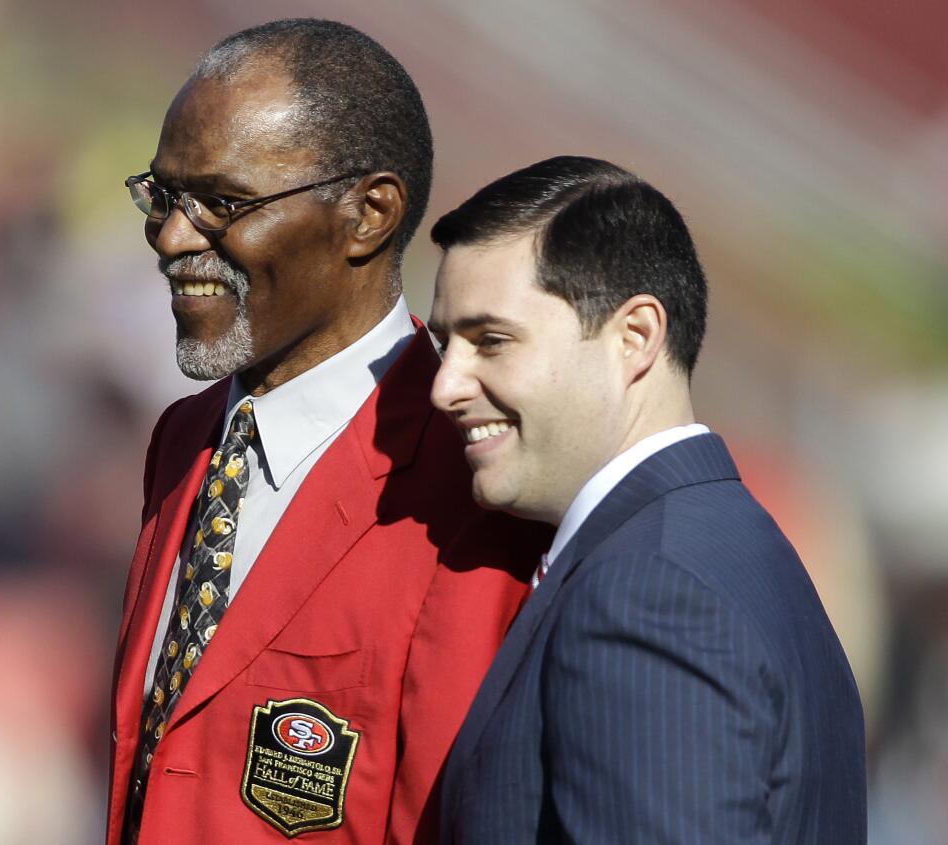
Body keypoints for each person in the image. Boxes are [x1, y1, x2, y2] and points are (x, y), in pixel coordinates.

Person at [107, 19, 539, 845]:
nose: (171, 236)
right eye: (162, 196)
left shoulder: (472, 478)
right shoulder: (185, 439)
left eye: (222, 203)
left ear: (368, 214)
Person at [428, 156, 867, 843]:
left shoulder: (647, 590)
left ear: (634, 337)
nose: (446, 384)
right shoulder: (730, 546)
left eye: (491, 341)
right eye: (444, 343)